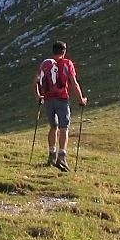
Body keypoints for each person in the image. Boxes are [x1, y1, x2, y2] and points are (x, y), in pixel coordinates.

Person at [35, 41, 86, 171]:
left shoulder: (45, 64)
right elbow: (74, 83)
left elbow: (36, 81)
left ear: (53, 51)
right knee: (64, 128)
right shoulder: (67, 64)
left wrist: (38, 96)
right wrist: (81, 99)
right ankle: (61, 157)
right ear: (64, 51)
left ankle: (52, 155)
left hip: (47, 100)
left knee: (53, 127)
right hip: (62, 99)